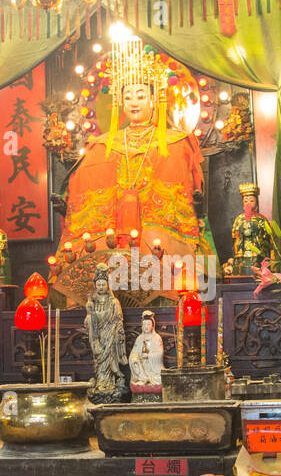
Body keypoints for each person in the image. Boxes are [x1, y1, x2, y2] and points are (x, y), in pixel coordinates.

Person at [51, 44, 214, 307]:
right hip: (113, 237)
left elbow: (190, 189)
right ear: (119, 102)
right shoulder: (101, 145)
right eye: (128, 97)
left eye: (140, 95)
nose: (134, 102)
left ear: (154, 99)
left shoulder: (177, 141)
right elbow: (84, 186)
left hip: (156, 236)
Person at [85, 264, 128, 403]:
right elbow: (88, 320)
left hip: (110, 334)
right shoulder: (92, 303)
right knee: (99, 360)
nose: (101, 286)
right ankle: (100, 382)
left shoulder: (114, 302)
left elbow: (118, 319)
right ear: (95, 285)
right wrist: (90, 315)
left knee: (109, 359)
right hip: (98, 335)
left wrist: (118, 331)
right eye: (99, 284)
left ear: (108, 285)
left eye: (104, 284)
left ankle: (110, 383)